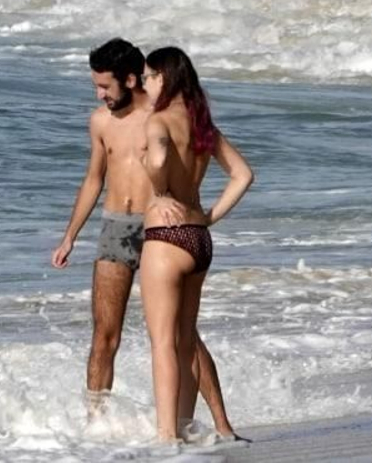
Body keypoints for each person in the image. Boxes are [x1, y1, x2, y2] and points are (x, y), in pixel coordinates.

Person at [50, 39, 241, 440]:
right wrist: (70, 235)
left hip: (161, 231)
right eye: (96, 87)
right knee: (105, 334)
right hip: (117, 226)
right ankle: (95, 423)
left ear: (132, 79)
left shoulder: (163, 114)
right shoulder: (100, 121)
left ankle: (221, 423)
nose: (100, 95)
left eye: (105, 86)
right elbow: (93, 179)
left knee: (182, 336)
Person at [137, 46, 253, 443]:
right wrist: (209, 216)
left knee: (163, 343)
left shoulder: (158, 121)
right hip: (198, 240)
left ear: (164, 78)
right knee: (186, 339)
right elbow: (243, 175)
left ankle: (167, 436)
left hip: (165, 239)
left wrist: (159, 191)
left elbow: (157, 159)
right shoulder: (203, 125)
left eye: (149, 77)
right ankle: (188, 428)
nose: (146, 84)